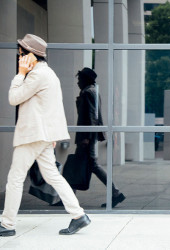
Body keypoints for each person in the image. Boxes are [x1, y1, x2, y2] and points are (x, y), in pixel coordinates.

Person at [0, 34, 90, 237]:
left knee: (15, 178)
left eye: (21, 53)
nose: (18, 56)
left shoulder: (35, 75)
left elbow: (14, 98)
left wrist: (20, 74)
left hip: (33, 135)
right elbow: (54, 108)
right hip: (43, 135)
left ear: (30, 55)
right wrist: (52, 135)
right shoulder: (48, 73)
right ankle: (78, 215)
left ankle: (7, 224)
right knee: (52, 176)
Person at [75, 67, 125, 208]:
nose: (78, 82)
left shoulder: (87, 92)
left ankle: (115, 192)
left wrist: (87, 137)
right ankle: (68, 197)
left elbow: (91, 116)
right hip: (88, 135)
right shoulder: (92, 91)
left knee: (91, 165)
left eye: (79, 79)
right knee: (80, 165)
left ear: (86, 79)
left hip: (86, 137)